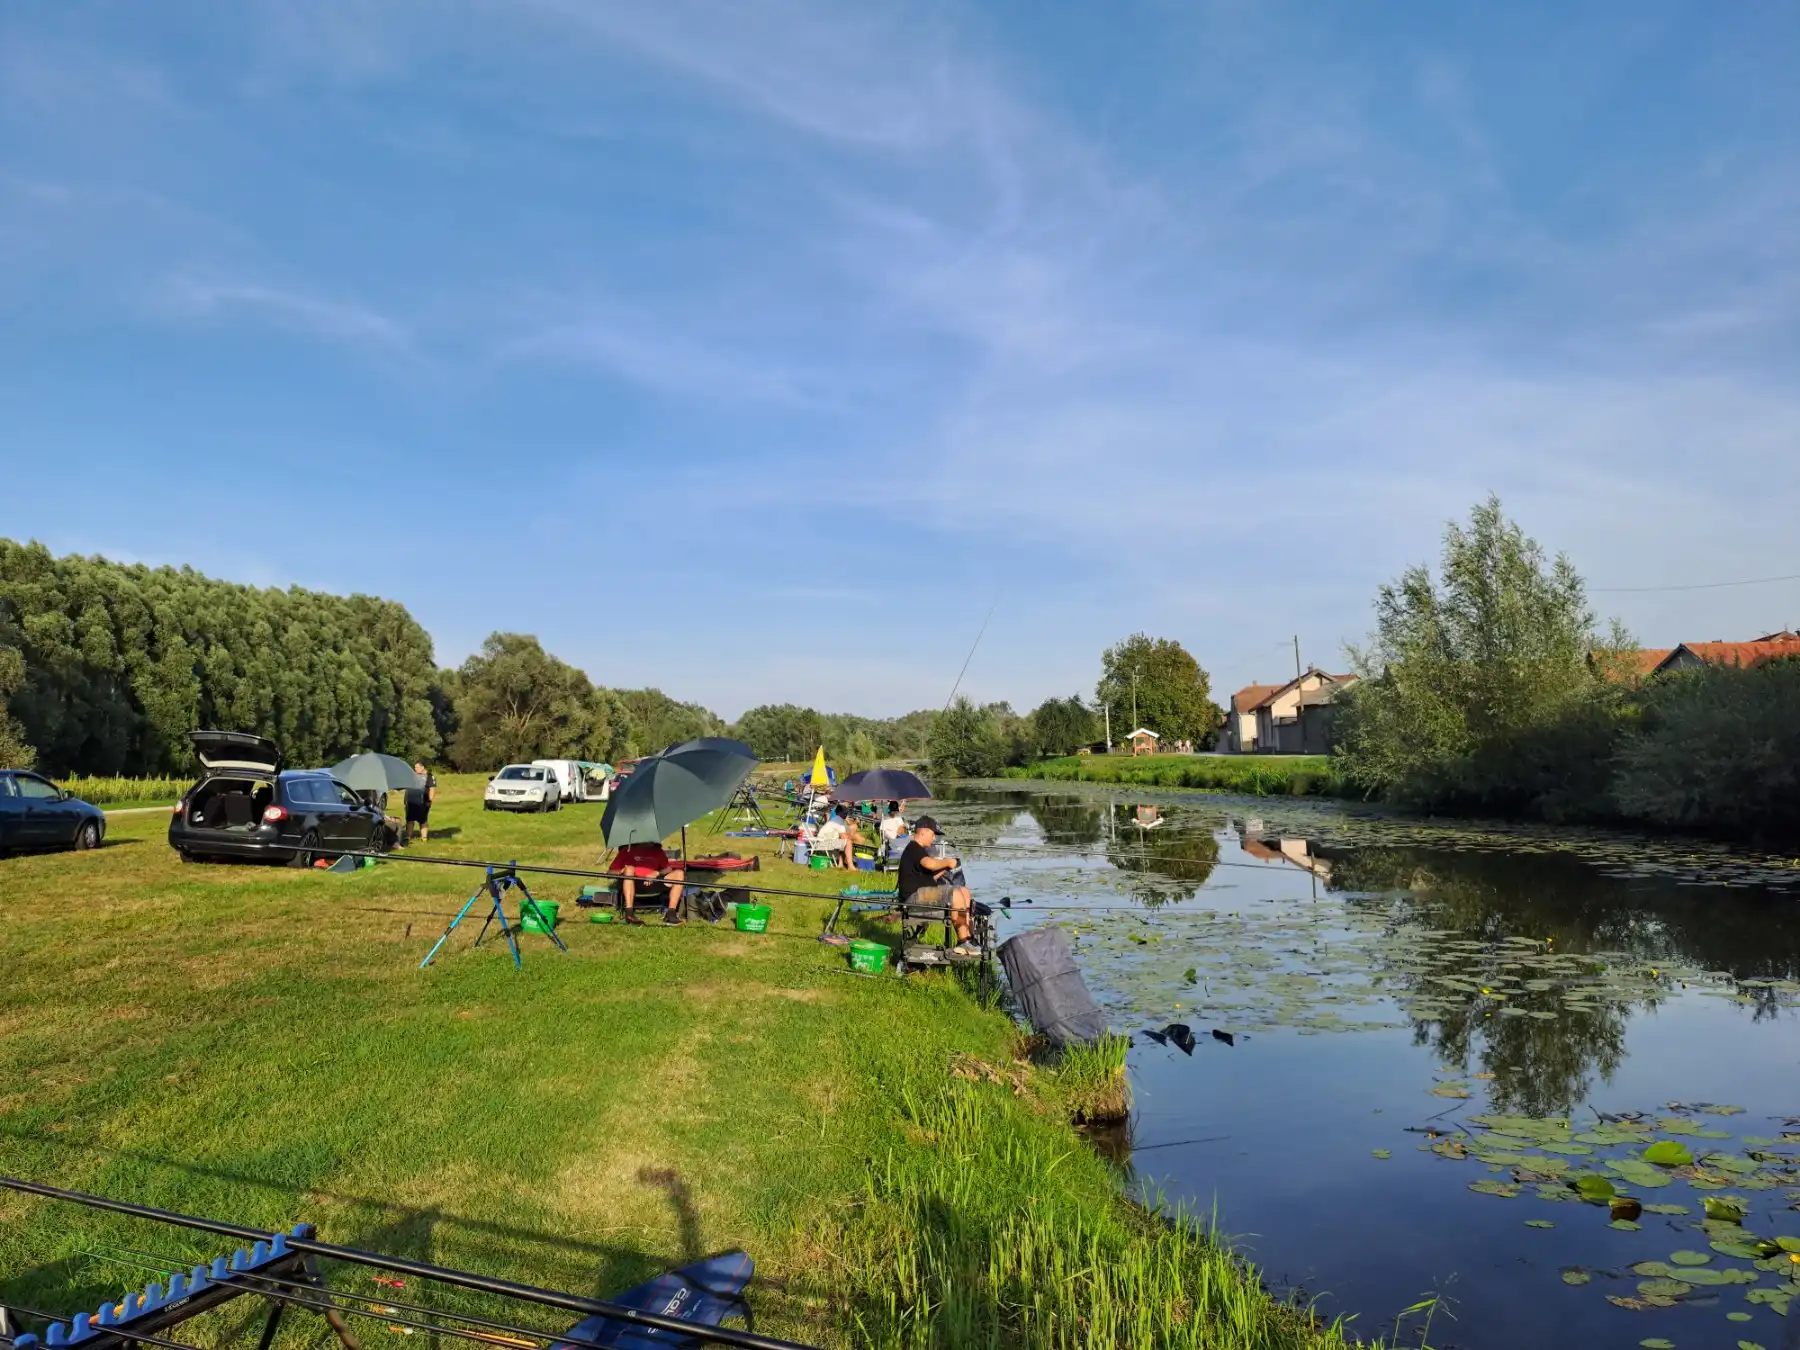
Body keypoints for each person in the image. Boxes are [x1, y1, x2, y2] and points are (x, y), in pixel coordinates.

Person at [896, 815, 976, 954]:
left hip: (921, 894)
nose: (933, 839)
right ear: (923, 832)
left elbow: (930, 877)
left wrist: (945, 868)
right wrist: (948, 861)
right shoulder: (914, 848)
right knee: (955, 894)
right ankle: (963, 942)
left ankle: (968, 937)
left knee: (964, 892)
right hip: (912, 899)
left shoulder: (919, 850)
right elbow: (930, 864)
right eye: (932, 835)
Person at [610, 839, 686, 926]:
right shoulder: (626, 851)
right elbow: (610, 873)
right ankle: (629, 913)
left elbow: (668, 869)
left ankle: (671, 914)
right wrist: (623, 870)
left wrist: (656, 873)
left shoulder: (657, 851)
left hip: (654, 881)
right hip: (633, 882)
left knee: (679, 873)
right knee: (629, 869)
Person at [404, 762, 436, 843]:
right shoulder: (412, 776)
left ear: (422, 767)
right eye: (415, 767)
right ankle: (408, 836)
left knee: (423, 820)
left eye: (417, 767)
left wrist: (430, 800)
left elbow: (432, 789)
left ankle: (424, 837)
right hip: (411, 801)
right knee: (410, 819)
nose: (415, 769)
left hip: (423, 802)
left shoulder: (429, 776)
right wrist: (405, 800)